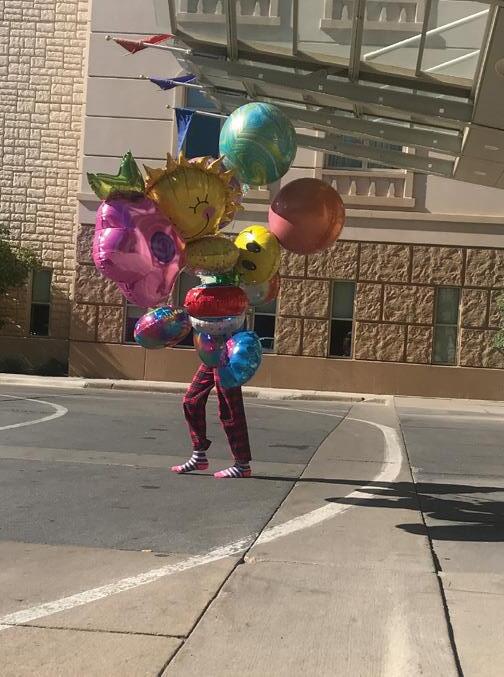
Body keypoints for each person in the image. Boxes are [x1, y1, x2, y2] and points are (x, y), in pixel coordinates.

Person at [171, 363, 252, 478]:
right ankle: (199, 456)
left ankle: (242, 465)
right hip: (213, 356)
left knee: (229, 407)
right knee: (191, 400)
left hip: (228, 359)